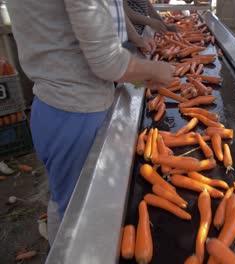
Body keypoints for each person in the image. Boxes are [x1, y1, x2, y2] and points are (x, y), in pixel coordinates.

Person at [6, 0, 173, 244]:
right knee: (81, 222)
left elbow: (101, 13)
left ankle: (58, 247)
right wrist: (155, 70)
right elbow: (106, 62)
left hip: (55, 106)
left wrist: (135, 47)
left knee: (67, 204)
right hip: (76, 110)